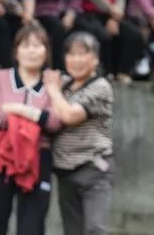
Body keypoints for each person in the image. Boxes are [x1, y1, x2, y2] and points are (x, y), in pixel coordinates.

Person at [0, 23, 59, 235]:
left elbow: (54, 122)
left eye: (38, 45)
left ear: (47, 52)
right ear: (16, 51)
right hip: (1, 157)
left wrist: (14, 109)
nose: (32, 51)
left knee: (32, 227)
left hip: (38, 157)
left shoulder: (52, 82)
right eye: (25, 45)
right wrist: (37, 116)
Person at [44, 31, 114, 235]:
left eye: (83, 54)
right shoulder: (64, 84)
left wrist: (53, 91)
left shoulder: (100, 86)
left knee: (94, 230)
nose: (77, 60)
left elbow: (70, 115)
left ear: (95, 59)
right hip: (65, 171)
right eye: (71, 54)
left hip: (93, 170)